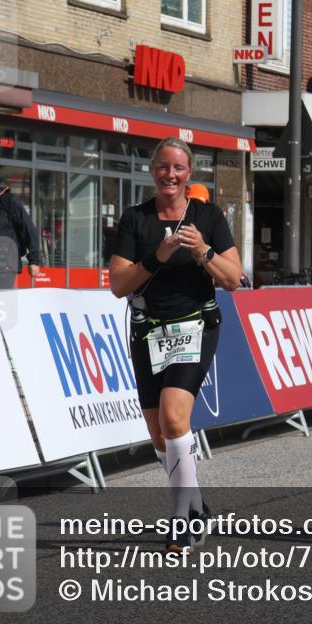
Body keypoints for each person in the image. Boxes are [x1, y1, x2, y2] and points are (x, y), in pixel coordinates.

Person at [109, 137, 242, 552]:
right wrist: (158, 256)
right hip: (148, 329)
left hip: (195, 326)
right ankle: (197, 505)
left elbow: (234, 279)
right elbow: (118, 285)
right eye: (163, 167)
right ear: (153, 171)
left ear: (189, 174)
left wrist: (202, 251)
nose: (170, 174)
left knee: (173, 417)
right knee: (158, 433)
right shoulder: (135, 220)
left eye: (179, 168)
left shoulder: (208, 216)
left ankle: (182, 521)